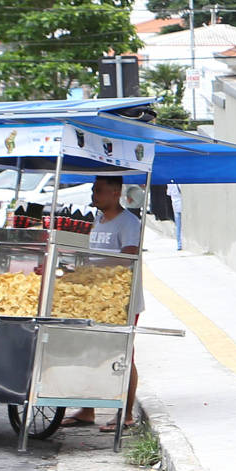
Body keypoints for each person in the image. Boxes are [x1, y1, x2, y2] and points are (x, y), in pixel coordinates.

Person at [65, 174, 143, 429]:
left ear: (115, 192)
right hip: (94, 297)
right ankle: (87, 410)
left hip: (121, 299)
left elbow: (127, 258)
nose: (93, 195)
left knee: (122, 354)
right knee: (90, 352)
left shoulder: (129, 223)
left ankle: (127, 414)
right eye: (93, 190)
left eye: (98, 190)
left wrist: (92, 266)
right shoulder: (96, 221)